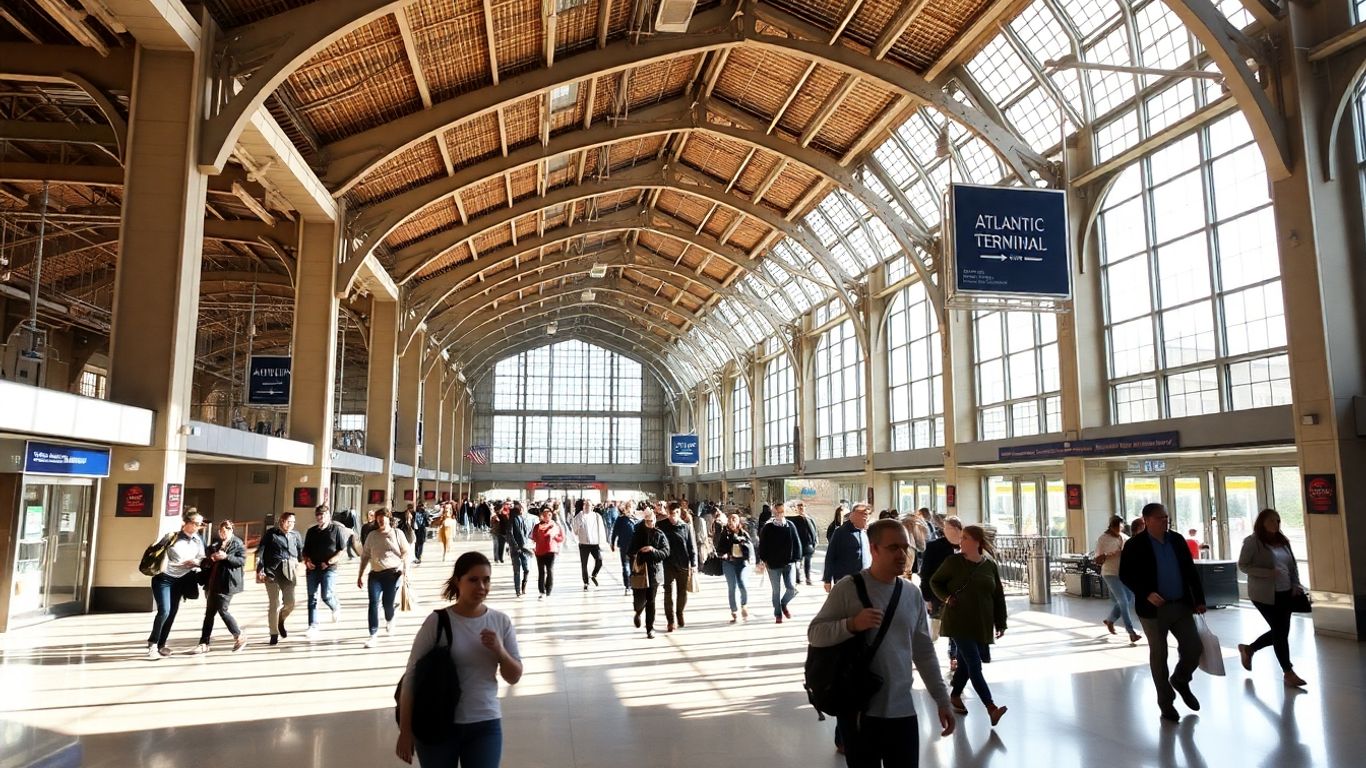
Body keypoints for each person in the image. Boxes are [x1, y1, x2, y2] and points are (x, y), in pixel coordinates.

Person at [809, 518, 955, 767]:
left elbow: (924, 652)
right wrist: (852, 624)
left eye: (905, 547)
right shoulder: (848, 588)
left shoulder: (911, 593)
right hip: (859, 710)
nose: (901, 554)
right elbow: (816, 633)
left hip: (902, 709)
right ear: (873, 549)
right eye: (893, 548)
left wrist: (942, 699)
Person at [395, 552, 523, 768]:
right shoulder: (437, 622)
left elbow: (514, 676)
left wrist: (500, 651)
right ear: (458, 581)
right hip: (438, 722)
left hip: (485, 722)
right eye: (473, 580)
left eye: (486, 580)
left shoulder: (500, 621)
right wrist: (406, 732)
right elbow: (411, 678)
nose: (481, 586)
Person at [1119, 502, 1207, 723]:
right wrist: (1146, 592)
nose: (1165, 521)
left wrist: (1199, 599)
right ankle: (1166, 703)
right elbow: (1126, 574)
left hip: (1181, 604)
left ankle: (1180, 679)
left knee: (1194, 648)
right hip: (1153, 610)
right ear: (1147, 520)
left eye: (1166, 517)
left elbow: (1189, 569)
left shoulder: (1176, 540)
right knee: (1159, 656)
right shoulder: (1135, 545)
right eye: (1160, 518)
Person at [929, 524, 1008, 727]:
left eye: (965, 538)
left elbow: (997, 595)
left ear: (977, 542)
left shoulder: (989, 565)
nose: (961, 541)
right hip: (958, 621)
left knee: (965, 664)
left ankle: (955, 695)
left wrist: (1001, 622)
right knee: (974, 664)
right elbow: (935, 582)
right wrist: (946, 598)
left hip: (980, 623)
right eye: (961, 537)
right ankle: (991, 707)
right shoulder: (953, 562)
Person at [1237, 508, 1308, 687]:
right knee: (1280, 631)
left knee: (1281, 631)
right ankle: (1288, 672)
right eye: (1272, 521)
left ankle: (1249, 648)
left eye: (1278, 521)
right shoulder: (1253, 542)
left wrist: (1296, 584)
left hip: (1285, 592)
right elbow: (1243, 565)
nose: (1276, 524)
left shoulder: (1283, 541)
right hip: (1264, 595)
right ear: (1263, 523)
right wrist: (1267, 573)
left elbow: (1292, 565)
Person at [146, 509, 206, 659]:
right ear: (186, 523)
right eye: (196, 524)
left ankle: (161, 645)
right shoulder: (172, 538)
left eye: (200, 524)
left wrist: (196, 562)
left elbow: (202, 558)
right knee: (164, 610)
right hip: (164, 579)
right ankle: (153, 643)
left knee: (172, 612)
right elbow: (155, 553)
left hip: (182, 580)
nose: (198, 527)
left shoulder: (198, 540)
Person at [192, 519, 247, 654]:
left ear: (231, 531)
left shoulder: (238, 544)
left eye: (226, 531)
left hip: (227, 583)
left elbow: (241, 561)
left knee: (223, 610)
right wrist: (211, 558)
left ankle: (239, 635)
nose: (224, 533)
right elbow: (206, 561)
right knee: (209, 613)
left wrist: (226, 557)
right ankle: (204, 642)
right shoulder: (215, 544)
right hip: (213, 582)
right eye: (221, 531)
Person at [358, 509, 411, 648]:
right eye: (378, 519)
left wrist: (404, 568)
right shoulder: (372, 535)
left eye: (383, 519)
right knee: (373, 603)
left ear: (389, 519)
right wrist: (360, 575)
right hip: (375, 574)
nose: (381, 521)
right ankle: (373, 634)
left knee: (388, 604)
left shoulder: (397, 534)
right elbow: (365, 556)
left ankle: (390, 618)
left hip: (392, 574)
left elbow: (406, 551)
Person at [919, 516, 963, 671]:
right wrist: (927, 598)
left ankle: (954, 656)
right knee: (934, 632)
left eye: (952, 529)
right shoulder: (934, 547)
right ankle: (923, 656)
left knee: (956, 629)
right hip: (938, 596)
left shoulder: (965, 546)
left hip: (958, 597)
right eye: (946, 528)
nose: (949, 531)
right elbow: (925, 574)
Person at [256, 511, 303, 646]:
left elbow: (300, 553)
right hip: (272, 572)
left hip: (289, 572)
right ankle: (273, 633)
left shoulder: (296, 536)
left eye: (293, 522)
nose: (291, 524)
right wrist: (260, 569)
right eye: (288, 521)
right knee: (274, 603)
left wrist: (301, 564)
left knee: (290, 603)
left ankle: (281, 620)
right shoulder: (271, 534)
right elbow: (261, 551)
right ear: (281, 521)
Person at [303, 504, 349, 640]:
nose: (320, 517)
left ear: (328, 516)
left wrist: (329, 562)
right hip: (312, 569)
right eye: (318, 515)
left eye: (323, 515)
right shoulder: (311, 531)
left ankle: (335, 606)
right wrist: (307, 561)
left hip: (329, 568)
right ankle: (313, 625)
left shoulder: (336, 530)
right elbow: (305, 551)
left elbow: (341, 550)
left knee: (326, 595)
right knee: (312, 598)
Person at [1094, 514, 1141, 644]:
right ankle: (1131, 631)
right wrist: (1108, 554)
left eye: (1121, 526)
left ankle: (1110, 619)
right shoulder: (1103, 539)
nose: (1119, 529)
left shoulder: (1125, 538)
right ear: (1111, 526)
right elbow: (1097, 559)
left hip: (1124, 574)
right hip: (1110, 573)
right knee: (1123, 601)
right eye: (1116, 526)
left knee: (1128, 598)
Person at [627, 508, 670, 639]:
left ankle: (650, 628)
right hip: (640, 571)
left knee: (651, 601)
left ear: (655, 520)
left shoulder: (660, 534)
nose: (650, 523)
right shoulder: (637, 533)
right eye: (647, 521)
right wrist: (640, 551)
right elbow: (630, 551)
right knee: (639, 600)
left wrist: (653, 550)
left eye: (651, 521)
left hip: (654, 573)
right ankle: (638, 612)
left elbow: (666, 552)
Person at [757, 500, 801, 623]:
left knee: (791, 588)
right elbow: (762, 545)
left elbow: (797, 543)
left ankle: (783, 603)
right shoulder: (768, 527)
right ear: (773, 512)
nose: (779, 514)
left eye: (781, 511)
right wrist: (764, 560)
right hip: (773, 565)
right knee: (776, 591)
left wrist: (797, 559)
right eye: (777, 512)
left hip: (789, 563)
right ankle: (778, 614)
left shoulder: (790, 526)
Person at [657, 502, 696, 632]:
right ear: (667, 512)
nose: (673, 516)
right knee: (668, 592)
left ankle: (679, 613)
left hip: (683, 564)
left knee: (682, 592)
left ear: (680, 513)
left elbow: (691, 546)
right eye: (671, 513)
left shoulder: (686, 527)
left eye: (676, 513)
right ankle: (670, 620)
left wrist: (694, 564)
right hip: (667, 564)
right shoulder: (661, 526)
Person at [823, 502, 873, 592]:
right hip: (845, 581)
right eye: (863, 514)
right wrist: (827, 580)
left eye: (867, 514)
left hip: (864, 581)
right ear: (853, 515)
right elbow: (830, 556)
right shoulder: (840, 532)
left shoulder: (863, 533)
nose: (866, 517)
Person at [715, 512, 752, 623]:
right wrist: (724, 554)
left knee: (742, 584)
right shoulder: (724, 534)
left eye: (734, 519)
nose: (732, 521)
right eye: (730, 519)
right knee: (732, 587)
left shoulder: (744, 533)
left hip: (742, 563)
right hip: (729, 563)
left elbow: (751, 548)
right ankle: (734, 611)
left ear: (738, 522)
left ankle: (744, 605)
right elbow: (719, 549)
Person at [572, 500, 608, 589]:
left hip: (595, 544)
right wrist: (580, 520)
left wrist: (603, 542)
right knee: (584, 564)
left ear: (592, 507)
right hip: (583, 544)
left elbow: (601, 529)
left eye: (589, 505)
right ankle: (586, 582)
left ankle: (594, 575)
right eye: (585, 505)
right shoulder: (579, 516)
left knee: (599, 560)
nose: (587, 506)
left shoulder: (597, 516)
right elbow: (575, 530)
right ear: (583, 506)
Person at [529, 507, 565, 598]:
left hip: (550, 551)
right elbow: (533, 538)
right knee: (541, 572)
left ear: (551, 515)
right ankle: (541, 592)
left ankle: (548, 590)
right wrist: (534, 546)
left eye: (548, 515)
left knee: (549, 571)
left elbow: (561, 538)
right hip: (539, 552)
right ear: (542, 516)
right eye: (544, 515)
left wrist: (554, 537)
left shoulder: (555, 525)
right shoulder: (537, 526)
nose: (546, 517)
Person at [610, 503, 639, 594]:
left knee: (633, 567)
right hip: (624, 547)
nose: (630, 510)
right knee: (625, 567)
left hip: (635, 548)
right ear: (625, 509)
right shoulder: (620, 519)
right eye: (628, 508)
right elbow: (615, 531)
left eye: (631, 508)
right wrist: (612, 543)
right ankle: (627, 586)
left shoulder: (636, 520)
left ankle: (633, 585)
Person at [505, 503, 531, 598]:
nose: (522, 510)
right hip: (515, 549)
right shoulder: (511, 520)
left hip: (523, 547)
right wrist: (515, 546)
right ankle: (517, 590)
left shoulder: (522, 519)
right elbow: (510, 534)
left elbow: (525, 533)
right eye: (521, 508)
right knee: (517, 570)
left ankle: (523, 586)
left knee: (526, 569)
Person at [792, 501, 819, 586]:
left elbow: (814, 530)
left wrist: (815, 541)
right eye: (799, 507)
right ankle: (797, 578)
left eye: (802, 507)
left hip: (808, 544)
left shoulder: (809, 518)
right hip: (798, 544)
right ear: (796, 509)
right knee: (798, 562)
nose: (801, 508)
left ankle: (808, 578)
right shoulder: (794, 519)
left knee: (807, 562)